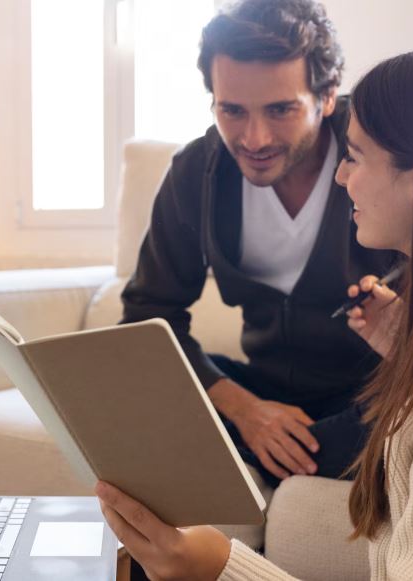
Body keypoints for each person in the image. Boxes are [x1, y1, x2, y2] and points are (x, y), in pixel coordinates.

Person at [98, 43, 413, 580]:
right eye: (233, 111)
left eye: (356, 156)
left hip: (354, 406)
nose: (342, 178)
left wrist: (221, 567)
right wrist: (408, 345)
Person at [121, 0, 397, 485]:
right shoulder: (194, 175)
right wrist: (246, 410)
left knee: (388, 422)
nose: (254, 138)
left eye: (280, 110)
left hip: (372, 399)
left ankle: (284, 467)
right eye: (232, 110)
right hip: (263, 392)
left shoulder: (383, 156)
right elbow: (148, 317)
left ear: (327, 96)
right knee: (129, 389)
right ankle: (270, 461)